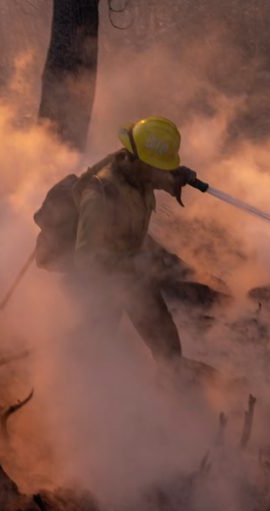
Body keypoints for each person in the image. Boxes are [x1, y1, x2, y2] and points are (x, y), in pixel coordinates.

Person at [35, 116, 203, 365]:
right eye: (156, 167)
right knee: (94, 350)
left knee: (167, 348)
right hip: (101, 282)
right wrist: (135, 262)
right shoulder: (100, 194)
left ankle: (171, 383)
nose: (159, 173)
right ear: (136, 159)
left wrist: (175, 177)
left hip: (131, 271)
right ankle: (77, 389)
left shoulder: (137, 173)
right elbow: (87, 259)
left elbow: (155, 177)